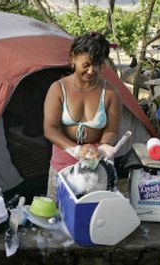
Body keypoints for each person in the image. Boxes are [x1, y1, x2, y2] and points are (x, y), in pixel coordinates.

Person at [43, 32, 122, 200]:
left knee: (91, 213)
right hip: (63, 163)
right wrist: (77, 150)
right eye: (85, 64)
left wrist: (102, 147)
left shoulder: (110, 93)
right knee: (58, 211)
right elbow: (50, 129)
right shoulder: (58, 89)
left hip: (96, 165)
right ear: (73, 58)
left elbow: (112, 130)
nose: (91, 71)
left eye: (97, 65)